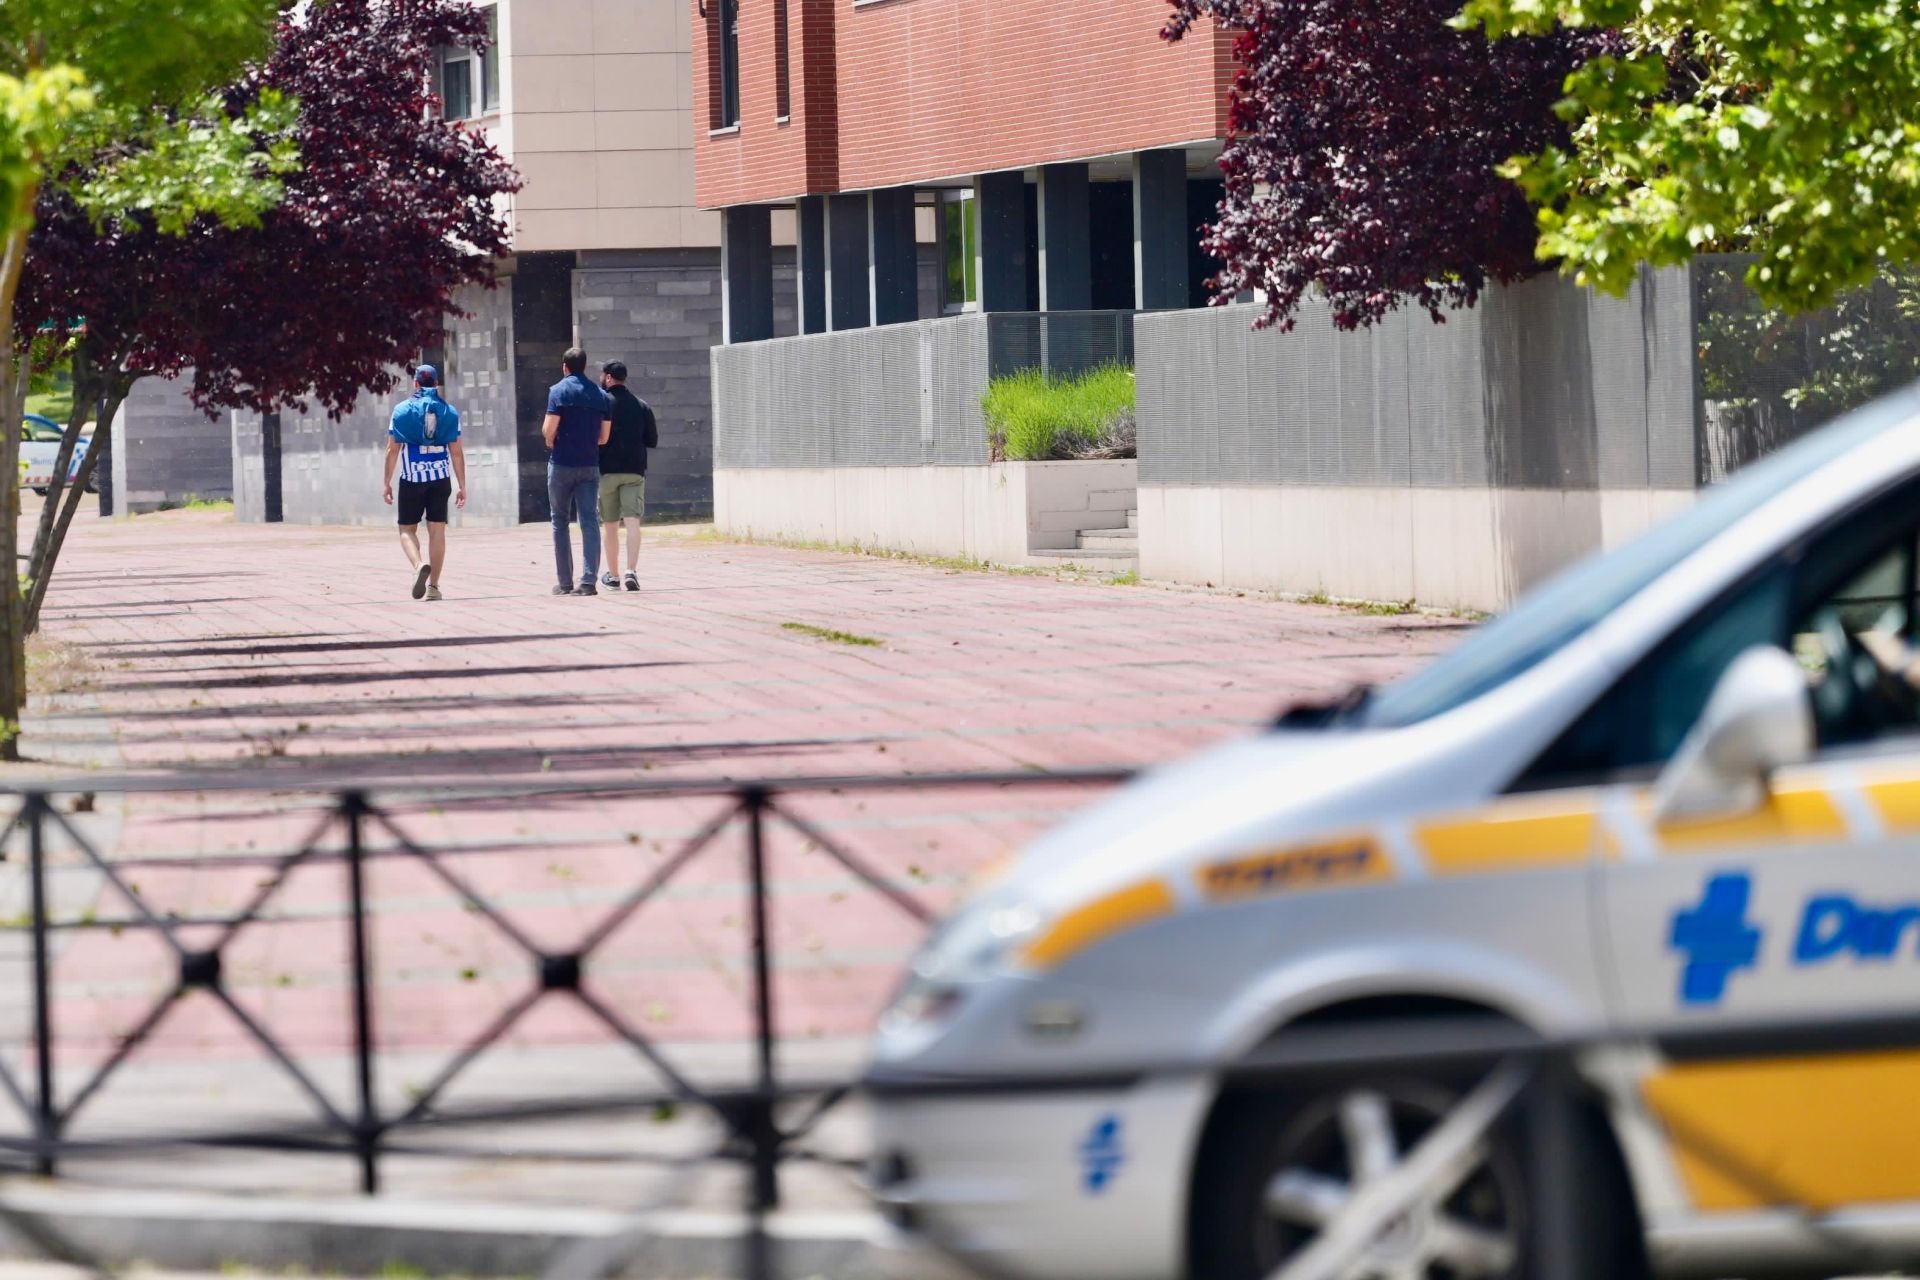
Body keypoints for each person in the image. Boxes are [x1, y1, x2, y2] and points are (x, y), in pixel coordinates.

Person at [383, 364, 466, 601]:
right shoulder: (450, 412)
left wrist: (386, 482)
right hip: (441, 479)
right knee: (437, 530)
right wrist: (462, 486)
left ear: (415, 384)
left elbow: (392, 450)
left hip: (412, 479)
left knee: (407, 529)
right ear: (437, 384)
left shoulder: (401, 411)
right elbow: (457, 452)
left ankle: (418, 564)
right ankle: (434, 587)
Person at [542, 347, 612, 595]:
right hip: (589, 466)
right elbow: (604, 438)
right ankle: (589, 581)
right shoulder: (601, 396)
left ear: (565, 366)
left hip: (561, 464)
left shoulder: (558, 391)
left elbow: (548, 429)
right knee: (590, 521)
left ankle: (564, 583)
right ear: (584, 366)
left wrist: (552, 440)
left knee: (559, 522)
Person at [595, 360, 658, 592]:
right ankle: (632, 570)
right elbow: (652, 440)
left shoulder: (602, 405)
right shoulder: (641, 405)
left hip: (606, 471)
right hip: (634, 471)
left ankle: (613, 576)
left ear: (609, 378)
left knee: (610, 525)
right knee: (633, 521)